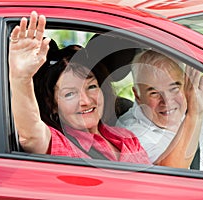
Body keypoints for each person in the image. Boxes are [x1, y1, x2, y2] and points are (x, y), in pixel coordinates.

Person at [8, 11, 151, 164]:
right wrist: (21, 77)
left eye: (91, 87)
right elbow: (30, 135)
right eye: (69, 94)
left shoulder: (125, 139)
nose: (85, 100)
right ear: (53, 105)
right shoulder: (62, 146)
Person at [117, 50, 203, 169]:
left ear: (186, 86)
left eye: (174, 88)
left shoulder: (201, 101)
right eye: (154, 93)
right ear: (137, 96)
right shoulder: (130, 135)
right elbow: (169, 172)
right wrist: (195, 115)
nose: (167, 101)